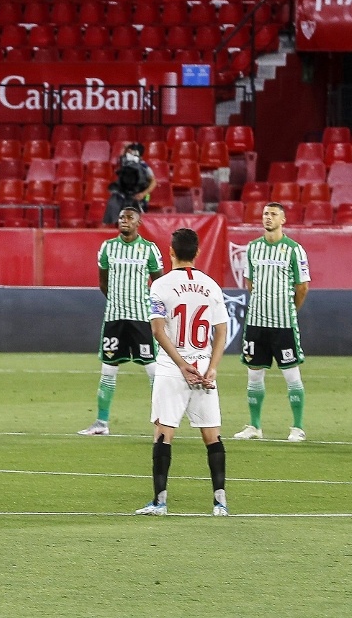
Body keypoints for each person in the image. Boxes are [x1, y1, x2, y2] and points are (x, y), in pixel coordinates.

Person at [135, 227, 230, 516]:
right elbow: (221, 330)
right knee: (212, 436)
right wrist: (212, 367)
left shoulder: (161, 286)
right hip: (203, 367)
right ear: (197, 252)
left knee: (163, 434)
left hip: (172, 368)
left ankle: (160, 502)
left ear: (171, 252)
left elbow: (157, 330)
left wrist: (180, 364)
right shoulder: (211, 285)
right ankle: (220, 503)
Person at [79, 206, 163, 436]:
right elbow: (103, 283)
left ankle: (163, 420)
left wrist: (150, 310)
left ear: (139, 223)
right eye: (121, 217)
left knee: (153, 371)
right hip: (114, 319)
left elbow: (159, 284)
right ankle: (101, 423)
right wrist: (118, 301)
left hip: (141, 319)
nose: (124, 220)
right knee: (108, 369)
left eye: (129, 217)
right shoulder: (107, 248)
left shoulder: (149, 250)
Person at [232, 203, 310, 442]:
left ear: (283, 219)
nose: (268, 218)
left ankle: (297, 427)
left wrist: (288, 310)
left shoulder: (294, 250)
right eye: (265, 214)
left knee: (291, 375)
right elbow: (250, 283)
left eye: (273, 214)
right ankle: (254, 426)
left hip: (283, 323)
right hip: (256, 323)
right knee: (254, 375)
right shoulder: (253, 248)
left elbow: (302, 287)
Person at [103, 144, 156, 222]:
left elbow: (153, 182)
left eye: (130, 152)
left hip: (139, 197)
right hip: (124, 196)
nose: (128, 155)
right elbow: (121, 158)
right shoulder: (125, 164)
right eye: (128, 152)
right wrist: (125, 147)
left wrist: (143, 194)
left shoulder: (144, 166)